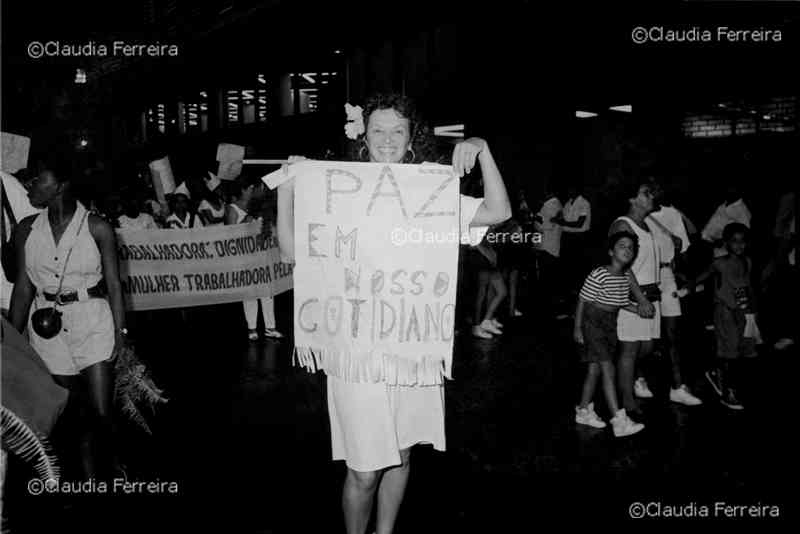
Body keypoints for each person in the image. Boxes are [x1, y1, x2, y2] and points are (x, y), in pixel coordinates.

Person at [275, 93, 511, 534]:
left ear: (411, 137)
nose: (387, 139)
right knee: (365, 470)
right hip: (356, 354)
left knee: (402, 454)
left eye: (397, 130)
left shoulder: (429, 189)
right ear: (363, 136)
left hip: (411, 346)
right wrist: (288, 190)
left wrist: (482, 147)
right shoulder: (337, 187)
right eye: (378, 130)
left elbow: (499, 211)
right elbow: (292, 252)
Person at [8, 155, 129, 479]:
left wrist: (122, 334)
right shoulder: (25, 231)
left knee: (102, 411)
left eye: (38, 180)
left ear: (60, 186)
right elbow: (23, 287)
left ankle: (113, 460)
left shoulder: (97, 227)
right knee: (74, 412)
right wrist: (11, 339)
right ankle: (89, 477)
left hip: (93, 323)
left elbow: (115, 285)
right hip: (48, 332)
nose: (31, 186)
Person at [573, 232, 644, 437]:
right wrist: (577, 328)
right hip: (592, 322)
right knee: (607, 368)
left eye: (631, 247)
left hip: (609, 325)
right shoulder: (600, 273)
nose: (627, 250)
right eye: (622, 246)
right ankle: (619, 420)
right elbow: (583, 300)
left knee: (595, 370)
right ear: (611, 251)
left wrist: (638, 308)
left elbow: (621, 303)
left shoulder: (624, 277)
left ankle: (584, 410)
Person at [607, 181, 660, 418]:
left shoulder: (646, 225)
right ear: (631, 199)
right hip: (634, 296)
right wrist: (640, 299)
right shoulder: (622, 224)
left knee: (647, 347)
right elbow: (622, 266)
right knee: (630, 350)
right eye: (645, 193)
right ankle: (627, 402)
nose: (651, 196)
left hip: (650, 295)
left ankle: (627, 377)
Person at [692, 223, 758, 410]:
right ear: (726, 243)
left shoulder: (747, 262)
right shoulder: (719, 263)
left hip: (743, 311)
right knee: (730, 352)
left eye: (743, 242)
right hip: (725, 311)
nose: (739, 245)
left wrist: (753, 310)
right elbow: (700, 278)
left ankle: (717, 372)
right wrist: (685, 287)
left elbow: (748, 286)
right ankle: (728, 393)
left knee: (742, 349)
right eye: (734, 241)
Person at [647, 192, 702, 406]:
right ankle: (638, 378)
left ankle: (677, 387)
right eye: (647, 189)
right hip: (644, 277)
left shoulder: (671, 214)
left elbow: (684, 250)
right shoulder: (637, 218)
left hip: (667, 275)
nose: (652, 193)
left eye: (656, 187)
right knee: (645, 337)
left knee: (672, 334)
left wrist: (686, 279)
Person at [226, 176, 282, 340]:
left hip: (262, 254)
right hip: (245, 256)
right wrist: (248, 219)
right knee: (250, 293)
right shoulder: (233, 208)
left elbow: (269, 229)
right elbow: (230, 233)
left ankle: (270, 327)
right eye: (252, 188)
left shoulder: (261, 208)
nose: (254, 191)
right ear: (243, 190)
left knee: (267, 291)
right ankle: (252, 328)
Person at [555, 184, 592, 298]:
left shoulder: (584, 203)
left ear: (577, 190)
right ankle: (569, 291)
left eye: (572, 189)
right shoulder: (568, 203)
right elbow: (564, 218)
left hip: (578, 238)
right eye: (568, 189)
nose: (569, 191)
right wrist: (559, 218)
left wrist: (561, 222)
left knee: (578, 266)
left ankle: (580, 292)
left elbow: (579, 223)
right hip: (567, 237)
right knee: (567, 266)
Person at [533, 187, 564, 317]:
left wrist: (535, 220)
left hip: (548, 248)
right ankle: (546, 310)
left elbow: (546, 225)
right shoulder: (551, 204)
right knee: (547, 281)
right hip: (547, 247)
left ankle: (546, 311)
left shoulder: (552, 205)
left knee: (546, 282)